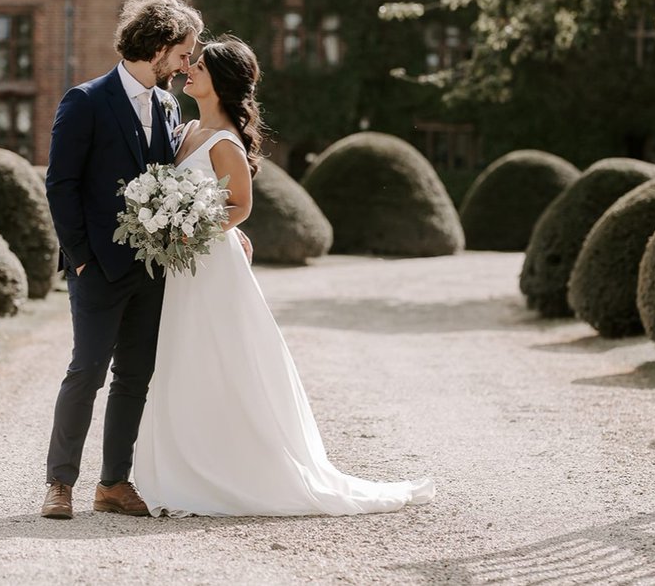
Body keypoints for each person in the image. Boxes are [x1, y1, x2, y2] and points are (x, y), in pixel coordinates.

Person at [132, 35, 435, 516]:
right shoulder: (185, 129)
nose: (189, 69)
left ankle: (234, 471)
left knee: (219, 359)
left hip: (210, 267)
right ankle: (182, 465)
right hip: (183, 268)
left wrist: (192, 229)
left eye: (200, 66)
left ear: (221, 82)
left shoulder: (225, 142)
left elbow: (241, 205)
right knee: (180, 357)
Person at [41, 0, 202, 520]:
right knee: (86, 371)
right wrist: (81, 257)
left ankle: (113, 484)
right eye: (183, 53)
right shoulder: (85, 101)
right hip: (96, 268)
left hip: (152, 269)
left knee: (134, 377)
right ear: (157, 47)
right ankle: (59, 483)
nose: (187, 65)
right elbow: (60, 184)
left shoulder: (169, 105)